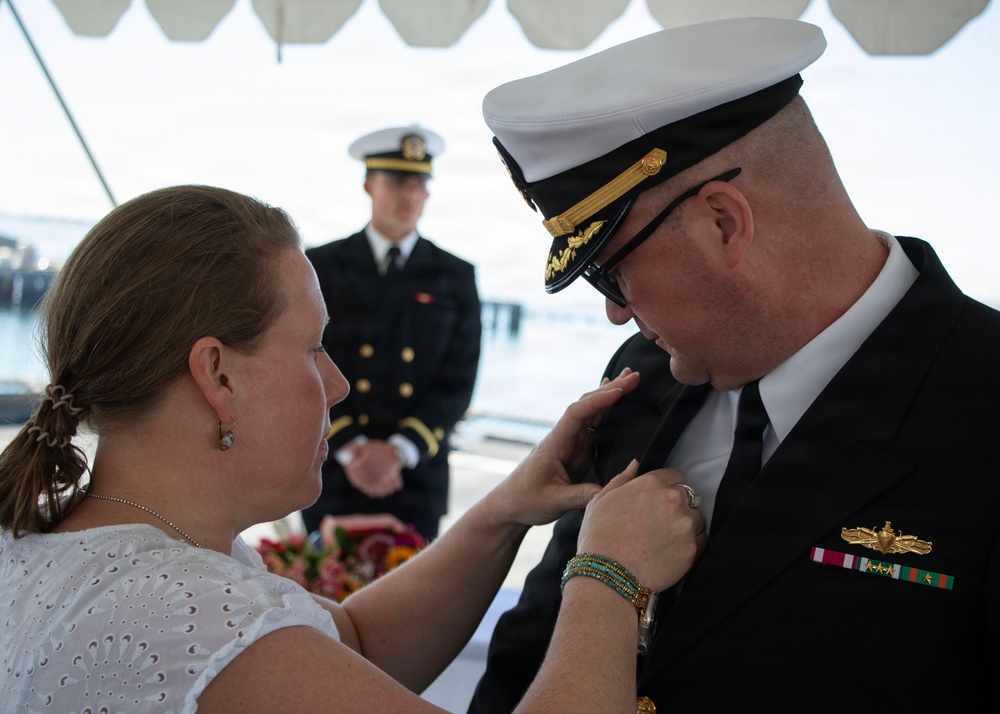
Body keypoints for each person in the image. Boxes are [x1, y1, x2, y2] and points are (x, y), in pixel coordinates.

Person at [0, 184, 706, 713]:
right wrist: (608, 573)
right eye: (312, 349)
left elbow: (355, 643)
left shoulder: (62, 543)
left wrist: (506, 509)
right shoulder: (184, 612)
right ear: (218, 375)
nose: (336, 385)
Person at [472, 17, 1000, 712]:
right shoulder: (643, 376)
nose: (617, 315)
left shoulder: (981, 401)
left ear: (723, 223)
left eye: (609, 273)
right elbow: (529, 656)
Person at [302, 125, 481, 540]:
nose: (410, 194)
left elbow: (459, 382)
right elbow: (302, 364)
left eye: (420, 183)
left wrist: (398, 453)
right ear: (369, 184)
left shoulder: (454, 275)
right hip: (332, 468)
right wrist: (352, 449)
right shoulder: (320, 267)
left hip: (415, 477)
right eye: (398, 181)